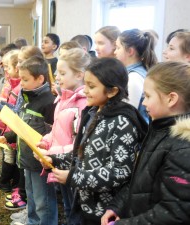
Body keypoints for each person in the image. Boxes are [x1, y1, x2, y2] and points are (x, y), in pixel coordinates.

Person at [38, 58, 147, 225]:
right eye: (86, 84)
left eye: (92, 86)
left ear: (112, 91)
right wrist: (56, 159)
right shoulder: (93, 112)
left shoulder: (123, 122)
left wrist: (74, 177)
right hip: (84, 201)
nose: (85, 91)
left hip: (106, 211)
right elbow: (83, 152)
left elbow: (121, 171)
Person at [101, 61, 190, 225]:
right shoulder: (159, 129)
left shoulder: (182, 147)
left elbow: (175, 213)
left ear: (171, 99)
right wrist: (117, 206)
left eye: (148, 96)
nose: (143, 103)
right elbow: (140, 181)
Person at [0, 56, 57, 225]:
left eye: (25, 79)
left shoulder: (48, 103)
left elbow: (52, 136)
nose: (21, 83)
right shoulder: (27, 98)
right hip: (26, 159)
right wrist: (7, 137)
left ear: (40, 79)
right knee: (31, 196)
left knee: (43, 200)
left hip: (40, 162)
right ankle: (32, 222)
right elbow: (21, 126)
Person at [36, 48, 91, 224]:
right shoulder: (63, 97)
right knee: (68, 208)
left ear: (79, 75)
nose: (57, 77)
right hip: (60, 162)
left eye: (62, 73)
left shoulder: (83, 103)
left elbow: (79, 142)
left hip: (73, 166)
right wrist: (46, 141)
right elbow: (57, 129)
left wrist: (53, 153)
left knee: (75, 212)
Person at [0, 49, 21, 191]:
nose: (6, 70)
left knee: (11, 155)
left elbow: (15, 109)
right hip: (6, 124)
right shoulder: (10, 83)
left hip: (13, 127)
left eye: (8, 67)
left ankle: (7, 181)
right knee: (8, 153)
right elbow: (5, 101)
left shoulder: (20, 86)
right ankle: (9, 179)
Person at [114, 28, 158, 123]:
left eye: (118, 48)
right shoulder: (133, 73)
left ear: (130, 51)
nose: (115, 52)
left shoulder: (134, 78)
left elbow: (127, 115)